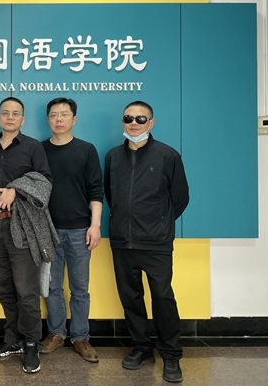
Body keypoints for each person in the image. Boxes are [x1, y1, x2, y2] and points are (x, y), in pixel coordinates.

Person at [104, 101, 189, 383]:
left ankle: (171, 354)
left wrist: (158, 223)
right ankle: (141, 347)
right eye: (128, 118)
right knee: (130, 298)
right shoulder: (113, 157)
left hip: (156, 242)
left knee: (163, 298)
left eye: (141, 119)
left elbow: (180, 198)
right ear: (123, 122)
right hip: (122, 241)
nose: (134, 123)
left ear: (151, 123)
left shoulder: (168, 155)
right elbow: (112, 197)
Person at [0, 97, 52, 374]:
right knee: (4, 286)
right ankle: (13, 338)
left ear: (22, 120)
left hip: (21, 226)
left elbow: (45, 182)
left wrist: (16, 189)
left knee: (26, 289)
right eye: (5, 113)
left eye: (16, 114)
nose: (10, 117)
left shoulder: (33, 147)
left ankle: (32, 343)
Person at [40, 98, 103, 363]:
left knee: (80, 288)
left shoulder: (86, 150)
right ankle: (56, 333)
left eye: (64, 114)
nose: (59, 119)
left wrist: (95, 225)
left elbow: (96, 190)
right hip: (47, 230)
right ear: (48, 119)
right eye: (54, 115)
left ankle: (80, 337)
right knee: (51, 286)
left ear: (74, 119)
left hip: (80, 229)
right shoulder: (39, 150)